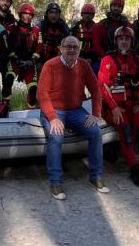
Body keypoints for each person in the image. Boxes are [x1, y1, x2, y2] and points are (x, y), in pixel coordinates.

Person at [37, 36, 108, 200]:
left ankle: (96, 177)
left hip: (76, 110)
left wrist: (96, 114)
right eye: (67, 46)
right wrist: (53, 118)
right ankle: (56, 182)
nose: (71, 50)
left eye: (75, 47)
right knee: (56, 136)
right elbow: (42, 94)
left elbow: (96, 90)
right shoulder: (50, 65)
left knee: (96, 132)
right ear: (60, 48)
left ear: (79, 49)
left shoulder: (84, 65)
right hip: (54, 111)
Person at [98, 27, 139, 188]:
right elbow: (102, 85)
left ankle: (117, 149)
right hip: (112, 107)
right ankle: (134, 168)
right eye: (121, 38)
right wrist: (114, 107)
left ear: (131, 41)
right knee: (126, 129)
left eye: (127, 39)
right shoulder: (107, 60)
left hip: (132, 105)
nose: (124, 41)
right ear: (116, 41)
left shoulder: (138, 61)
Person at [6, 3, 42, 108]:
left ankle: (30, 112)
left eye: (30, 15)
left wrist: (31, 61)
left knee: (33, 89)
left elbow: (39, 47)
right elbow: (7, 46)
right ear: (20, 14)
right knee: (8, 80)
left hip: (29, 62)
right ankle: (5, 107)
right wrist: (15, 58)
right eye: (25, 14)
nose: (28, 16)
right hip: (14, 61)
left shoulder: (36, 30)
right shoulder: (11, 28)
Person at [0, 0, 16, 102]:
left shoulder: (12, 19)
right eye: (3, 0)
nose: (5, 3)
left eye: (8, 1)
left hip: (8, 55)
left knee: (8, 80)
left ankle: (5, 105)